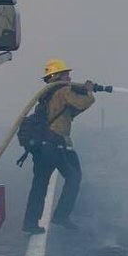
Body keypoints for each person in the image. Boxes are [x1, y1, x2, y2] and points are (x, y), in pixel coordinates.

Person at [22, 58, 95, 234]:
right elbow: (82, 103)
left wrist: (81, 91)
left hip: (44, 146)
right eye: (66, 74)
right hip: (56, 144)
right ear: (57, 76)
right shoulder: (63, 91)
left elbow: (72, 111)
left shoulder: (48, 95)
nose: (69, 78)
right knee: (74, 177)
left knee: (40, 184)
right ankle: (61, 216)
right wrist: (89, 92)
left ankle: (30, 223)